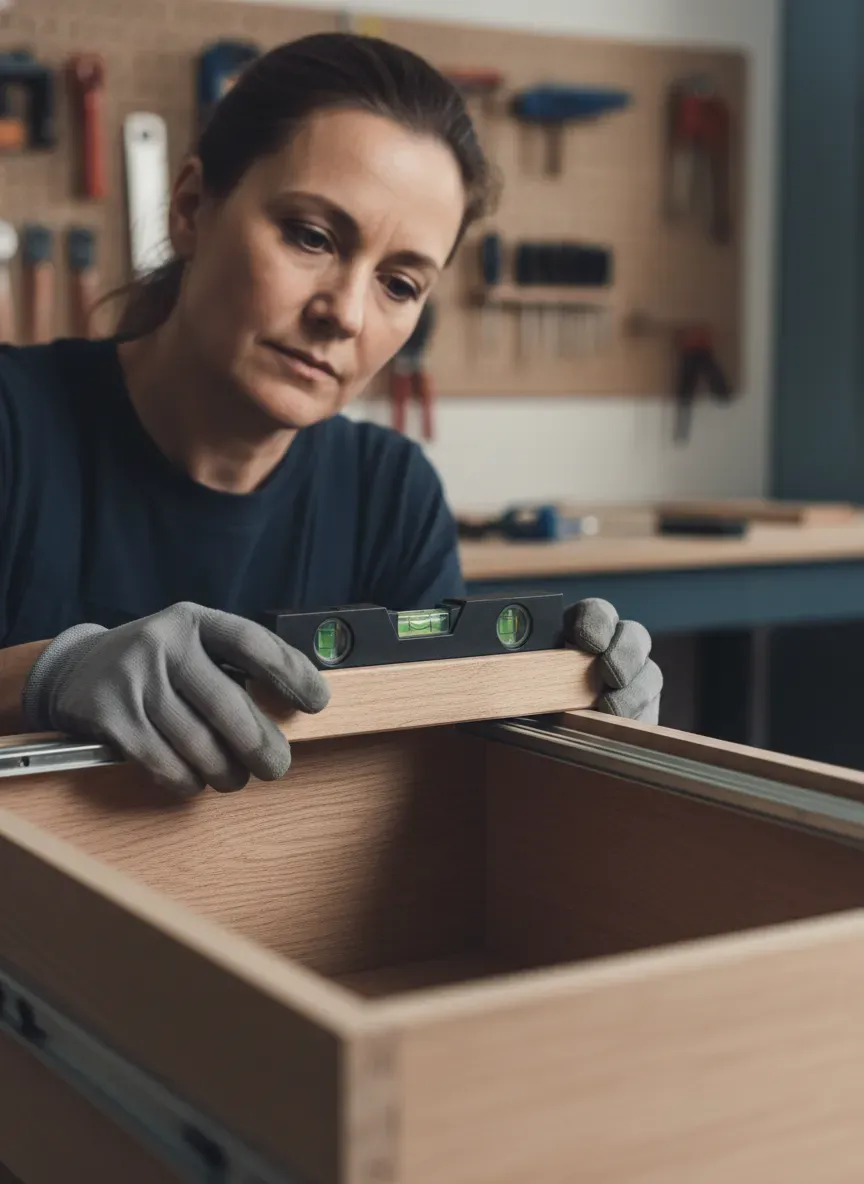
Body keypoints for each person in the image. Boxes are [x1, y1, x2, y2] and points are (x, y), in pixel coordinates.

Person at [0, 33, 662, 797]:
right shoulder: (17, 428)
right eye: (312, 237)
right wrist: (44, 676)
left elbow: (426, 793)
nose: (344, 314)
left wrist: (569, 732)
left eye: (401, 284)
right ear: (190, 209)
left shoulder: (390, 493)